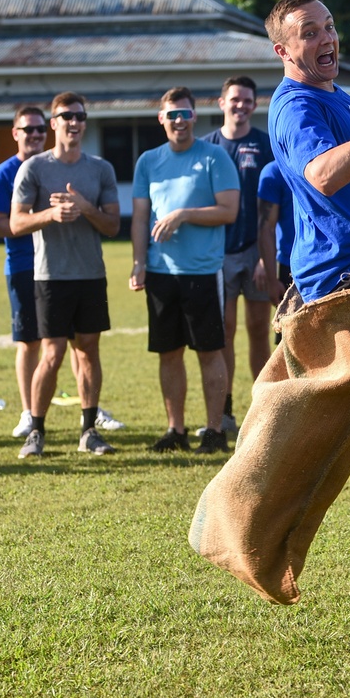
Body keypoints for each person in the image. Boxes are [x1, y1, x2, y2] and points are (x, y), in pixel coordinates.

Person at [188, 0, 350, 604]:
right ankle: (232, 519)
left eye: (329, 26)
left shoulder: (339, 96)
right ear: (283, 49)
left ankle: (243, 505)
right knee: (338, 407)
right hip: (337, 279)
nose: (327, 38)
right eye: (309, 32)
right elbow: (324, 173)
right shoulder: (294, 104)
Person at [0, 106, 125, 438]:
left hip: (91, 273)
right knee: (51, 352)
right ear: (54, 124)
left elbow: (112, 225)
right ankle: (36, 430)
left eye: (79, 116)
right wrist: (51, 215)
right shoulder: (33, 167)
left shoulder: (100, 168)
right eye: (66, 116)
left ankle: (89, 429)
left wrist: (85, 208)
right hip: (50, 275)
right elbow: (15, 223)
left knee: (89, 350)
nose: (73, 122)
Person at [130, 86, 240, 454]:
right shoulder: (148, 161)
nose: (179, 120)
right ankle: (175, 429)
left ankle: (213, 431)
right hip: (161, 274)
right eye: (172, 114)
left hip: (203, 273)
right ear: (161, 119)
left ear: (195, 116)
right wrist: (138, 263)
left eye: (186, 113)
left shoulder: (214, 158)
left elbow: (229, 211)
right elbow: (141, 217)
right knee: (169, 352)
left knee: (210, 352)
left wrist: (183, 215)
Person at [201, 76, 274, 434]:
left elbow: (278, 203)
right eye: (235, 100)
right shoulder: (206, 148)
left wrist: (267, 255)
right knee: (224, 332)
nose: (241, 106)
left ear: (255, 104)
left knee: (259, 329)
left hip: (257, 250)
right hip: (218, 253)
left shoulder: (266, 145)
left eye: (247, 100)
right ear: (221, 102)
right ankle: (225, 410)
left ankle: (261, 408)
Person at [254, 158, 295, 318]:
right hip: (291, 268)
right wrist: (272, 280)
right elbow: (266, 227)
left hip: (335, 263)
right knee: (291, 338)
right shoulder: (274, 171)